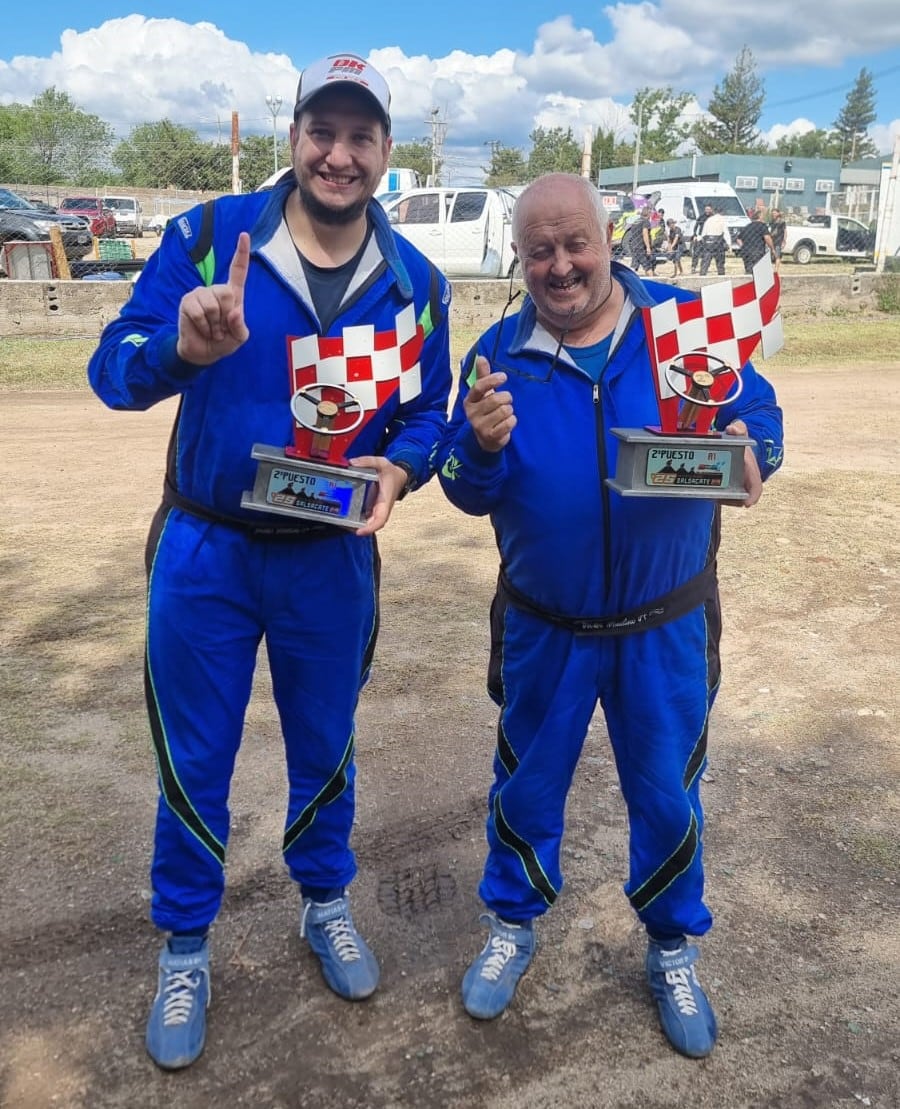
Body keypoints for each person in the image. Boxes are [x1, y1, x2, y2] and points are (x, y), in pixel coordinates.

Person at [87, 52, 452, 1071]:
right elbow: (112, 369)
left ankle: (324, 901)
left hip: (328, 556)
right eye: (322, 131)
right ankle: (185, 944)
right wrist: (181, 351)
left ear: (386, 150)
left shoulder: (416, 285)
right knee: (195, 755)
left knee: (326, 744)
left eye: (360, 136)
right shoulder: (210, 239)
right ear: (294, 136)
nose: (339, 155)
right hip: (206, 544)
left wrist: (403, 466)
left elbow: (431, 411)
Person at [435, 173, 783, 1060]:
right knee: (524, 783)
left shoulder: (680, 323)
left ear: (607, 239)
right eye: (539, 251)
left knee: (668, 792)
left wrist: (753, 449)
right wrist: (478, 446)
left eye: (575, 244)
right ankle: (511, 924)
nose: (560, 266)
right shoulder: (496, 353)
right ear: (519, 258)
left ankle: (671, 946)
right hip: (543, 623)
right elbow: (461, 486)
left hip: (666, 624)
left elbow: (757, 408)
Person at [735, 209, 774, 274]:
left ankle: (749, 277)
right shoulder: (762, 226)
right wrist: (772, 248)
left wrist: (743, 246)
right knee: (758, 272)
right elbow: (767, 237)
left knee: (749, 271)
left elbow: (738, 239)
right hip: (757, 251)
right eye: (763, 216)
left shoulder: (747, 226)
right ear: (760, 217)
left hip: (746, 252)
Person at [699, 204, 728, 275]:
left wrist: (702, 240)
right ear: (722, 212)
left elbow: (703, 233)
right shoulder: (722, 219)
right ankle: (721, 274)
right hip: (718, 242)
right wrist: (728, 243)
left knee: (705, 261)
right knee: (720, 262)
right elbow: (726, 232)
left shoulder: (709, 220)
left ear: (714, 212)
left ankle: (702, 273)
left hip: (708, 241)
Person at [690, 203, 713, 273]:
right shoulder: (701, 217)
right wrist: (695, 235)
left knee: (708, 253)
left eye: (708, 209)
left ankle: (705, 267)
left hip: (709, 237)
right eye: (706, 209)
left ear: (711, 210)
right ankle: (693, 267)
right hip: (700, 237)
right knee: (696, 252)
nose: (707, 211)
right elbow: (696, 226)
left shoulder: (713, 218)